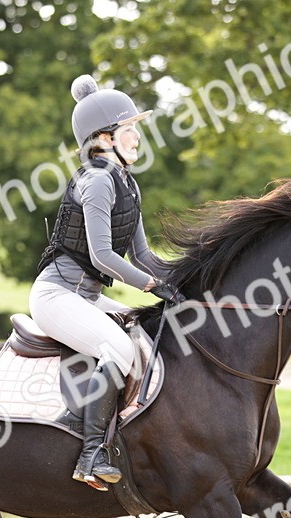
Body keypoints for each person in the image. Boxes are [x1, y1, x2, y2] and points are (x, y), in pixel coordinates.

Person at [31, 75, 185, 490]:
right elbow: (103, 256)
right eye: (129, 129)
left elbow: (143, 256)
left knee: (142, 333)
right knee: (118, 347)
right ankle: (91, 453)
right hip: (56, 295)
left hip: (87, 296)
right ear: (104, 138)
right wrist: (152, 286)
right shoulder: (97, 181)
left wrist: (184, 277)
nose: (137, 137)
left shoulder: (126, 183)